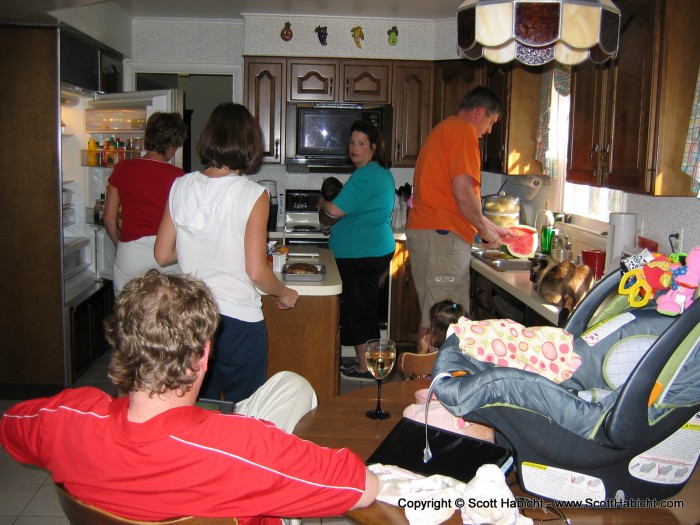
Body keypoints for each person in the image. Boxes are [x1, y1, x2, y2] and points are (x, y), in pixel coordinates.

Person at [0, 270, 378, 523]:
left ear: (121, 346)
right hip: (239, 459)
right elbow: (361, 486)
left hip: (202, 437)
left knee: (290, 384)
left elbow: (12, 426)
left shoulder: (68, 417)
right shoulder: (246, 447)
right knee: (293, 396)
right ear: (203, 356)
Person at [155, 103, 298, 403]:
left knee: (196, 408)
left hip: (192, 318)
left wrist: (201, 248)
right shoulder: (254, 194)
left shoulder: (179, 185)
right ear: (249, 145)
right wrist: (285, 293)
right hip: (239, 324)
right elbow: (257, 271)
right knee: (243, 411)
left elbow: (162, 254)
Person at [406, 86, 511, 343]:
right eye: (491, 123)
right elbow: (463, 193)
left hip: (434, 233)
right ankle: (431, 381)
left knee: (434, 312)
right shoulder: (463, 133)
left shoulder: (445, 129)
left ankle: (426, 378)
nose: (488, 131)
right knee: (443, 318)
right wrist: (485, 232)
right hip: (442, 238)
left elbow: (458, 199)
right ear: (479, 112)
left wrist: (490, 226)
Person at [319, 120, 395, 380]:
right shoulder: (378, 172)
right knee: (360, 308)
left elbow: (334, 210)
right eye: (352, 142)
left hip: (361, 253)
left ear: (373, 147)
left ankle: (367, 367)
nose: (354, 147)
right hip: (367, 250)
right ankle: (366, 363)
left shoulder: (367, 174)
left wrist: (323, 202)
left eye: (361, 143)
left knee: (359, 310)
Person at [104, 111, 188, 295]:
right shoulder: (179, 177)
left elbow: (109, 218)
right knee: (167, 318)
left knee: (129, 317)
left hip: (130, 254)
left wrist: (120, 244)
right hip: (166, 255)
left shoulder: (122, 169)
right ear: (171, 146)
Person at [398, 299, 465, 380]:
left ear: (436, 330)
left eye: (432, 324)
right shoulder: (461, 347)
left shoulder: (438, 355)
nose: (429, 327)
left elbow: (416, 377)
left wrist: (423, 351)